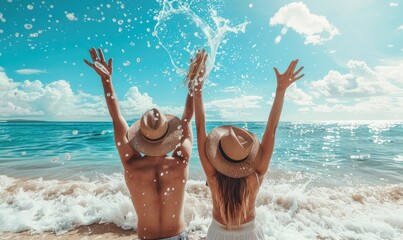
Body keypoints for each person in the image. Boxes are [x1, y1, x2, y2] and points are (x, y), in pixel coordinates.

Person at [84, 48, 206, 240]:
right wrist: (194, 80)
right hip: (178, 235)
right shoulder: (180, 160)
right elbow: (187, 119)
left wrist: (106, 80)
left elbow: (117, 118)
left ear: (141, 137)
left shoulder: (131, 164)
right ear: (169, 136)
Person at [193, 52, 304, 239]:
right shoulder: (254, 177)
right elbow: (271, 129)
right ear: (247, 156)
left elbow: (199, 127)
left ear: (219, 154)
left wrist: (198, 86)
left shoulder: (213, 177)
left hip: (218, 234)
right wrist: (281, 90)